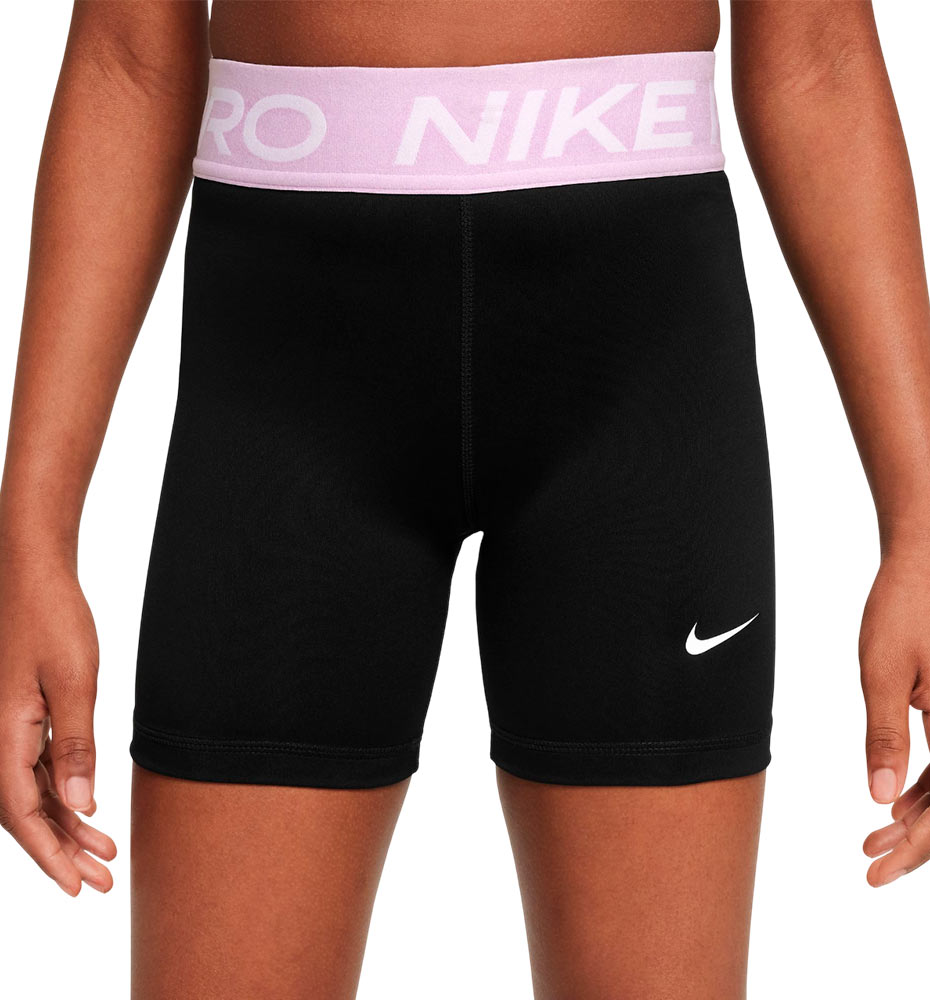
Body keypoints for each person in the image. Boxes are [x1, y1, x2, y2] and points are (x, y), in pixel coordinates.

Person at [1, 1, 929, 997]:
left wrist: (921, 527)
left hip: (637, 372)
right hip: (284, 378)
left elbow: (817, 57)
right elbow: (129, 60)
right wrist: (30, 543)